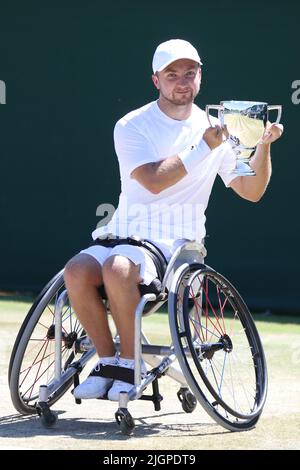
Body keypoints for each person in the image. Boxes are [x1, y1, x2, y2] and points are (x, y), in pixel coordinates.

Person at [64, 39, 283, 401]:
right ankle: (108, 360)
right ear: (156, 81)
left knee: (118, 269)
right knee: (76, 270)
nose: (182, 81)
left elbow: (251, 190)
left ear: (200, 77)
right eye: (172, 75)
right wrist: (204, 147)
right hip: (123, 232)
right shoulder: (131, 125)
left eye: (189, 73)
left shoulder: (220, 128)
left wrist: (263, 146)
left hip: (177, 243)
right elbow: (152, 181)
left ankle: (129, 365)